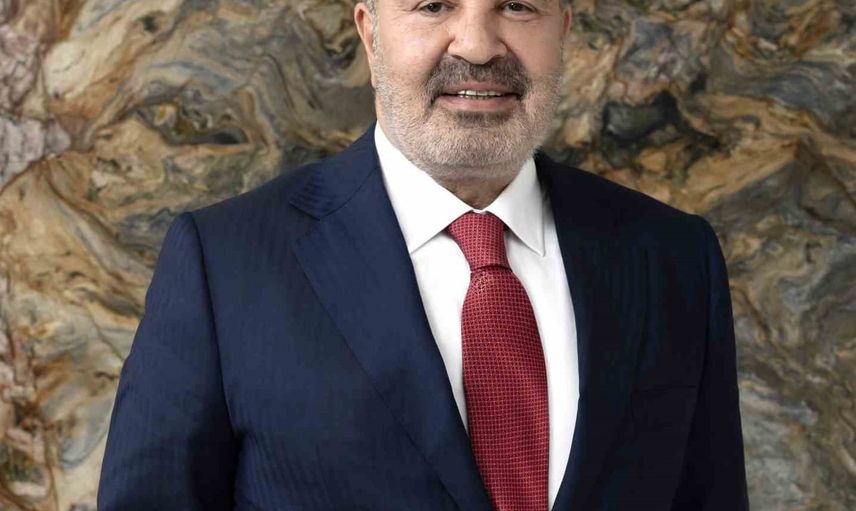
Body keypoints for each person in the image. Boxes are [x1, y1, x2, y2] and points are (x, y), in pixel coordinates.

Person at [97, 0, 750, 509]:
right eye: (434, 5)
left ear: (563, 28)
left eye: (517, 6)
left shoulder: (672, 257)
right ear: (370, 31)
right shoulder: (224, 264)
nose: (477, 45)